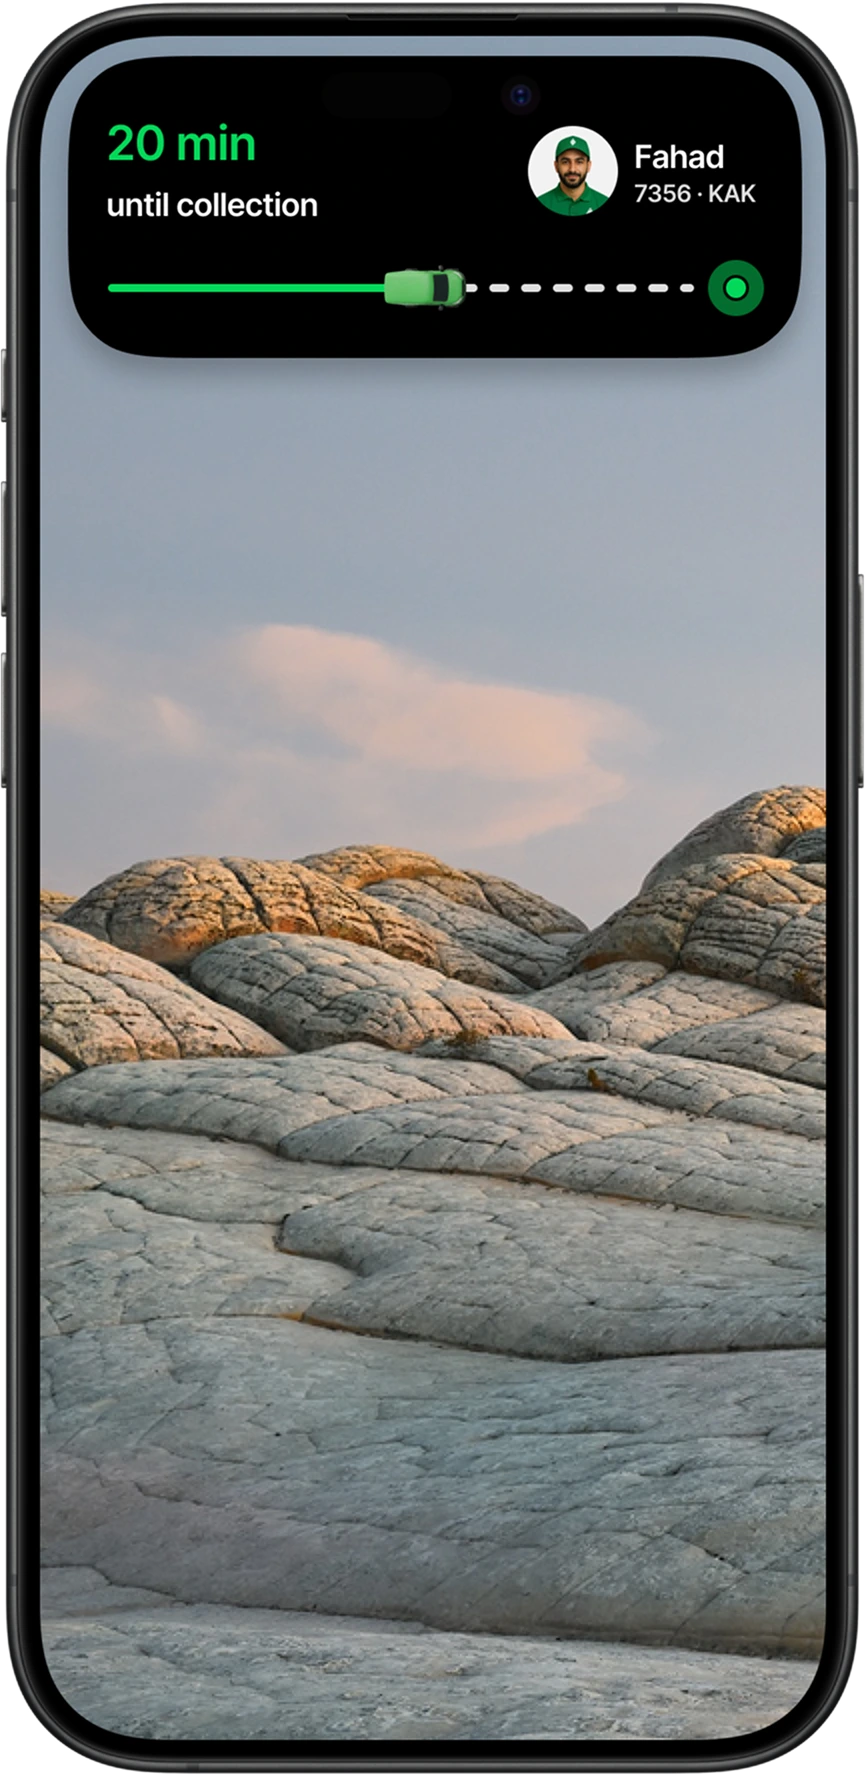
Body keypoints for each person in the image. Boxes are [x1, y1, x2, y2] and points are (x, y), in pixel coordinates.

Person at [537, 136, 609, 214]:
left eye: (579, 162)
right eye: (565, 162)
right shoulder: (542, 202)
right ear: (556, 166)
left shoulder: (603, 202)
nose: (572, 169)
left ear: (588, 166)